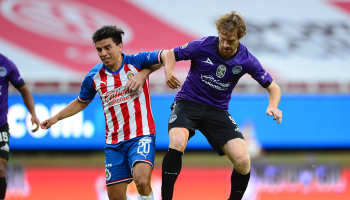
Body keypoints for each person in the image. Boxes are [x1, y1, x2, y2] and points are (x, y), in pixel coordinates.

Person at [40, 25, 174, 200]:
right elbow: (81, 102)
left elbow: (168, 54)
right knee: (115, 197)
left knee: (141, 181)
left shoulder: (136, 62)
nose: (103, 53)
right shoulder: (94, 76)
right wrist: (56, 117)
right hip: (114, 143)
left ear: (119, 46)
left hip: (141, 135)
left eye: (107, 47)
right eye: (99, 49)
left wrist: (148, 73)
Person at [161, 11, 282, 200]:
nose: (225, 44)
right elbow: (169, 53)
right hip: (188, 102)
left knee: (243, 161)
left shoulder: (247, 59)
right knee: (176, 141)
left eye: (231, 41)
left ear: (240, 38)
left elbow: (273, 88)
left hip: (217, 110)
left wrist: (273, 106)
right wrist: (168, 70)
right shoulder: (202, 45)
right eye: (222, 39)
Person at [0, 53, 40, 200]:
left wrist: (33, 114)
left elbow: (24, 90)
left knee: (0, 166)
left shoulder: (6, 65)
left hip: (0, 125)